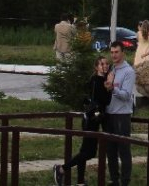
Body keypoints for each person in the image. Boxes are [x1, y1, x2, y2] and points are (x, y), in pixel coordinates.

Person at [54, 54, 112, 185]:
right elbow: (106, 101)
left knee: (84, 151)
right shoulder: (99, 81)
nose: (105, 66)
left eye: (106, 64)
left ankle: (80, 181)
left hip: (90, 118)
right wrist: (109, 87)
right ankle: (62, 169)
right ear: (96, 67)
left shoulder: (94, 79)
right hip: (93, 119)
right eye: (102, 64)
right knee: (90, 152)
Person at [104, 42, 135, 186]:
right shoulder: (110, 69)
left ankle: (125, 181)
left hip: (122, 115)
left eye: (116, 52)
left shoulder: (128, 71)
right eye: (112, 52)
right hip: (109, 114)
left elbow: (127, 95)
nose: (114, 55)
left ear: (123, 53)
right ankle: (114, 180)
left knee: (124, 150)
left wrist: (112, 89)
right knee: (110, 151)